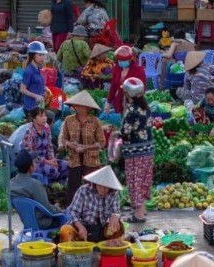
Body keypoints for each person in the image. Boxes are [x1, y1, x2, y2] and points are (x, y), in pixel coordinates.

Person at [58, 90, 106, 205]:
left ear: (87, 108)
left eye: (80, 105)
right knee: (73, 188)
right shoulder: (69, 120)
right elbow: (63, 138)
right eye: (76, 105)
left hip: (91, 160)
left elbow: (102, 143)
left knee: (92, 187)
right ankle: (71, 213)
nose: (77, 107)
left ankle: (93, 211)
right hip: (74, 160)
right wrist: (69, 144)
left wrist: (85, 147)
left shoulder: (95, 122)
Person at [120, 77, 154, 224]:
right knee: (144, 179)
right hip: (148, 150)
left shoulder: (132, 111)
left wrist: (116, 133)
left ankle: (139, 214)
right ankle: (143, 209)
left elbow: (125, 131)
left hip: (135, 153)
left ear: (128, 94)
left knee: (135, 181)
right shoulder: (146, 108)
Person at [64, 165, 122, 242]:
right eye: (100, 186)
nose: (103, 189)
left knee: (119, 228)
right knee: (66, 231)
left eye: (106, 187)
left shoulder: (113, 193)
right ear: (95, 183)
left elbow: (116, 210)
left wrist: (115, 216)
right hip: (82, 225)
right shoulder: (83, 191)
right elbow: (73, 212)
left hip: (101, 228)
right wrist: (80, 227)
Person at [10, 150, 63, 230]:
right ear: (31, 167)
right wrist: (58, 208)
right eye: (34, 162)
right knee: (67, 218)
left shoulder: (11, 183)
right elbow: (48, 210)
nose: (36, 164)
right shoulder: (35, 184)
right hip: (42, 223)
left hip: (27, 222)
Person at [22, 106, 68, 184]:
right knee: (52, 170)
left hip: (48, 160)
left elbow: (49, 146)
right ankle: (48, 186)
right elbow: (31, 154)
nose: (44, 118)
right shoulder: (29, 133)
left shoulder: (46, 127)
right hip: (35, 163)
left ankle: (56, 187)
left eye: (45, 115)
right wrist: (47, 161)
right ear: (34, 119)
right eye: (41, 116)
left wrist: (53, 160)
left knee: (67, 165)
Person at [104, 46, 146, 115]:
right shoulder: (117, 68)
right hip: (120, 102)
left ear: (130, 59)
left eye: (123, 60)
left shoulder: (139, 70)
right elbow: (113, 86)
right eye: (119, 60)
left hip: (134, 104)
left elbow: (142, 89)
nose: (121, 62)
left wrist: (131, 101)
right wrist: (108, 102)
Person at [20, 41, 49, 113]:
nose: (43, 58)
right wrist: (36, 96)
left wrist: (44, 89)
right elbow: (22, 89)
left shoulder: (38, 68)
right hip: (30, 108)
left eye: (43, 55)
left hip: (39, 106)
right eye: (40, 55)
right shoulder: (29, 71)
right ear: (32, 55)